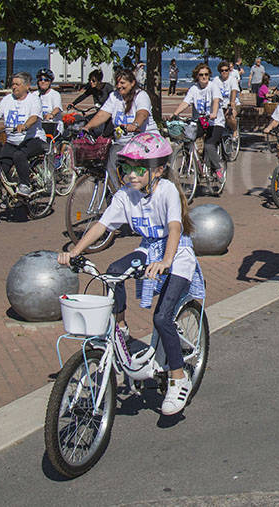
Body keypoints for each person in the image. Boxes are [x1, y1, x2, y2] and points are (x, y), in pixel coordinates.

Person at [58, 133, 205, 416]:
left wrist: (166, 260)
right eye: (126, 168)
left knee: (162, 318)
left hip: (177, 254)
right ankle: (121, 327)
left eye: (139, 169)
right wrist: (76, 250)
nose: (131, 175)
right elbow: (102, 226)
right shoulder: (125, 195)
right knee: (113, 272)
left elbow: (175, 228)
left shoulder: (167, 191)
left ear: (158, 170)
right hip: (149, 249)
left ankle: (178, 377)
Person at [83, 68, 159, 190]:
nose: (119, 86)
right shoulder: (114, 96)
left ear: (132, 83)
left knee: (139, 173)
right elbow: (102, 114)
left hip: (144, 140)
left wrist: (135, 125)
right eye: (117, 83)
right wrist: (87, 127)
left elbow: (142, 113)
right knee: (110, 164)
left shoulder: (141, 95)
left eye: (122, 83)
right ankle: (118, 194)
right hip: (123, 143)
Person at [0, 72, 44, 197]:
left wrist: (25, 126)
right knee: (1, 167)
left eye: (17, 84)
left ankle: (25, 185)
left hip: (33, 139)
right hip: (12, 141)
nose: (14, 87)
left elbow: (34, 117)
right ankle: (9, 195)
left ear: (27, 86)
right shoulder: (8, 99)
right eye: (13, 84)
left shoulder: (33, 99)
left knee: (19, 155)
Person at [167, 63, 224, 181]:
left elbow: (216, 100)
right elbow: (186, 102)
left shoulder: (213, 86)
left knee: (208, 145)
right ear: (197, 76)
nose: (204, 77)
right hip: (200, 121)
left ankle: (218, 168)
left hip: (215, 122)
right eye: (201, 75)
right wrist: (175, 113)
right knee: (187, 139)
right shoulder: (194, 89)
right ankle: (191, 164)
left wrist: (214, 113)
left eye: (206, 74)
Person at [210, 62, 240, 146]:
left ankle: (234, 130)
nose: (224, 72)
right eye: (222, 70)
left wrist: (232, 104)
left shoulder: (232, 79)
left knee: (229, 116)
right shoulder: (216, 80)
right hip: (220, 105)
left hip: (233, 103)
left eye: (226, 70)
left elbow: (234, 91)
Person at [32, 68, 63, 137]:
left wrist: (51, 114)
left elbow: (57, 108)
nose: (43, 82)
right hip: (39, 126)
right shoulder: (34, 94)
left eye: (46, 80)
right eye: (40, 80)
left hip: (54, 126)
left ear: (50, 82)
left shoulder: (55, 94)